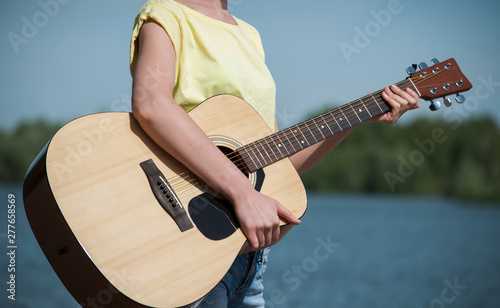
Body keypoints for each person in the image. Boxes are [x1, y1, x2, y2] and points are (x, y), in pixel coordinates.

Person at [129, 0, 420, 307]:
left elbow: (276, 162)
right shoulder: (166, 13)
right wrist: (243, 194)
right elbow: (151, 103)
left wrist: (358, 113)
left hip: (247, 259)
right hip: (188, 250)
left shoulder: (249, 34)